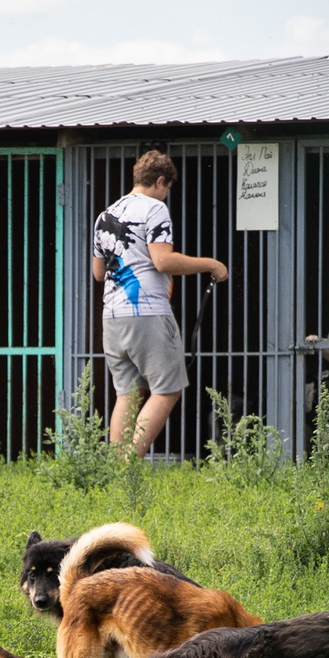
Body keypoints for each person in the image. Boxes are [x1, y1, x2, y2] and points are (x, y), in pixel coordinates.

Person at [91, 149, 230, 456]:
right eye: (167, 188)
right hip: (147, 313)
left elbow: (98, 273)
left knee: (126, 394)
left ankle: (115, 470)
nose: (166, 194)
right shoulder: (154, 209)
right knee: (168, 390)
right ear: (161, 181)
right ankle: (129, 464)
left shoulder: (105, 216)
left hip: (112, 317)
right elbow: (163, 260)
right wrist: (211, 264)